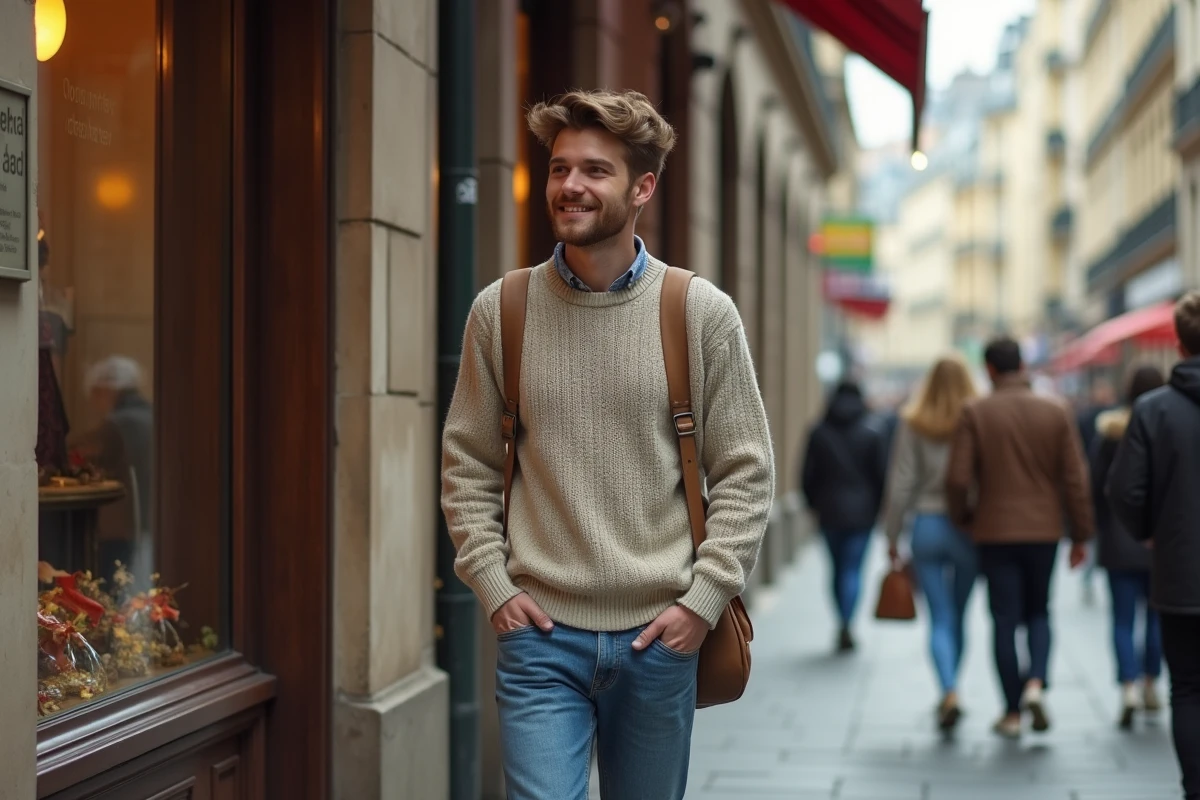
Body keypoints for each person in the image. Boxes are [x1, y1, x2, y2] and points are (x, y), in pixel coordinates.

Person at [440, 89, 774, 800]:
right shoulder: (503, 311)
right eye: (561, 169)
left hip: (662, 636)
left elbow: (746, 472)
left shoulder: (699, 312)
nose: (570, 187)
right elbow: (466, 462)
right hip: (539, 638)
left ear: (642, 186)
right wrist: (494, 585)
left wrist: (704, 600)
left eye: (595, 171)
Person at [945, 337, 1093, 739]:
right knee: (1040, 611)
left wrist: (964, 517)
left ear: (990, 369)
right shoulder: (1057, 411)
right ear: (1023, 366)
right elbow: (1075, 478)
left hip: (994, 531)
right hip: (1044, 531)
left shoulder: (976, 411)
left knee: (1005, 620)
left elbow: (957, 478)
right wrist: (1080, 534)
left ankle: (1011, 713)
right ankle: (1036, 684)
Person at [1107, 290, 1200, 800]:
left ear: (1180, 344)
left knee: (1187, 687)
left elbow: (1125, 489)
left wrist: (1151, 528)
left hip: (1182, 569)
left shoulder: (1152, 410)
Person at [881, 356, 978, 731]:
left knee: (939, 616)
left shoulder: (913, 422)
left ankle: (948, 689)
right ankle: (954, 686)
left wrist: (891, 535)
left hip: (926, 526)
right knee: (960, 613)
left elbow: (901, 483)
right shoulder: (975, 418)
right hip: (966, 528)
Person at [1089, 365, 1165, 729]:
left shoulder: (1111, 433)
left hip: (1120, 541)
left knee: (1121, 619)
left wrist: (1099, 529)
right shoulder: (1170, 426)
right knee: (1155, 616)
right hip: (1162, 541)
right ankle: (1151, 681)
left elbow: (1099, 488)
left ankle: (1128, 687)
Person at [802, 380, 888, 652]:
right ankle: (847, 622)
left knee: (838, 569)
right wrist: (878, 509)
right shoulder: (872, 432)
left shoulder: (818, 432)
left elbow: (806, 476)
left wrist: (814, 504)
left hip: (829, 512)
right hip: (862, 514)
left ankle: (842, 619)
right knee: (853, 569)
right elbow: (881, 477)